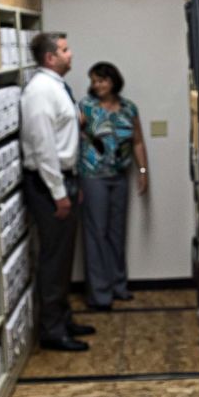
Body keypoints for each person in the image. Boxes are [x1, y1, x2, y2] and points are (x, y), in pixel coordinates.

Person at [20, 32, 95, 351]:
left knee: (64, 258)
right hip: (50, 184)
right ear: (50, 58)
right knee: (54, 259)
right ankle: (52, 330)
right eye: (65, 50)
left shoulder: (56, 88)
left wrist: (72, 182)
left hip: (66, 178)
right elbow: (43, 147)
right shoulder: (39, 92)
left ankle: (63, 319)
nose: (71, 54)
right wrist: (58, 193)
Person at [77, 62, 149, 310]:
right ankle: (100, 294)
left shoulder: (129, 108)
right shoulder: (86, 107)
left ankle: (119, 286)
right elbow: (70, 138)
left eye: (102, 80)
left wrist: (142, 171)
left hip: (120, 176)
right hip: (93, 176)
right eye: (94, 81)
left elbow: (138, 141)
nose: (98, 85)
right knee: (96, 233)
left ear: (113, 81)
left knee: (117, 233)